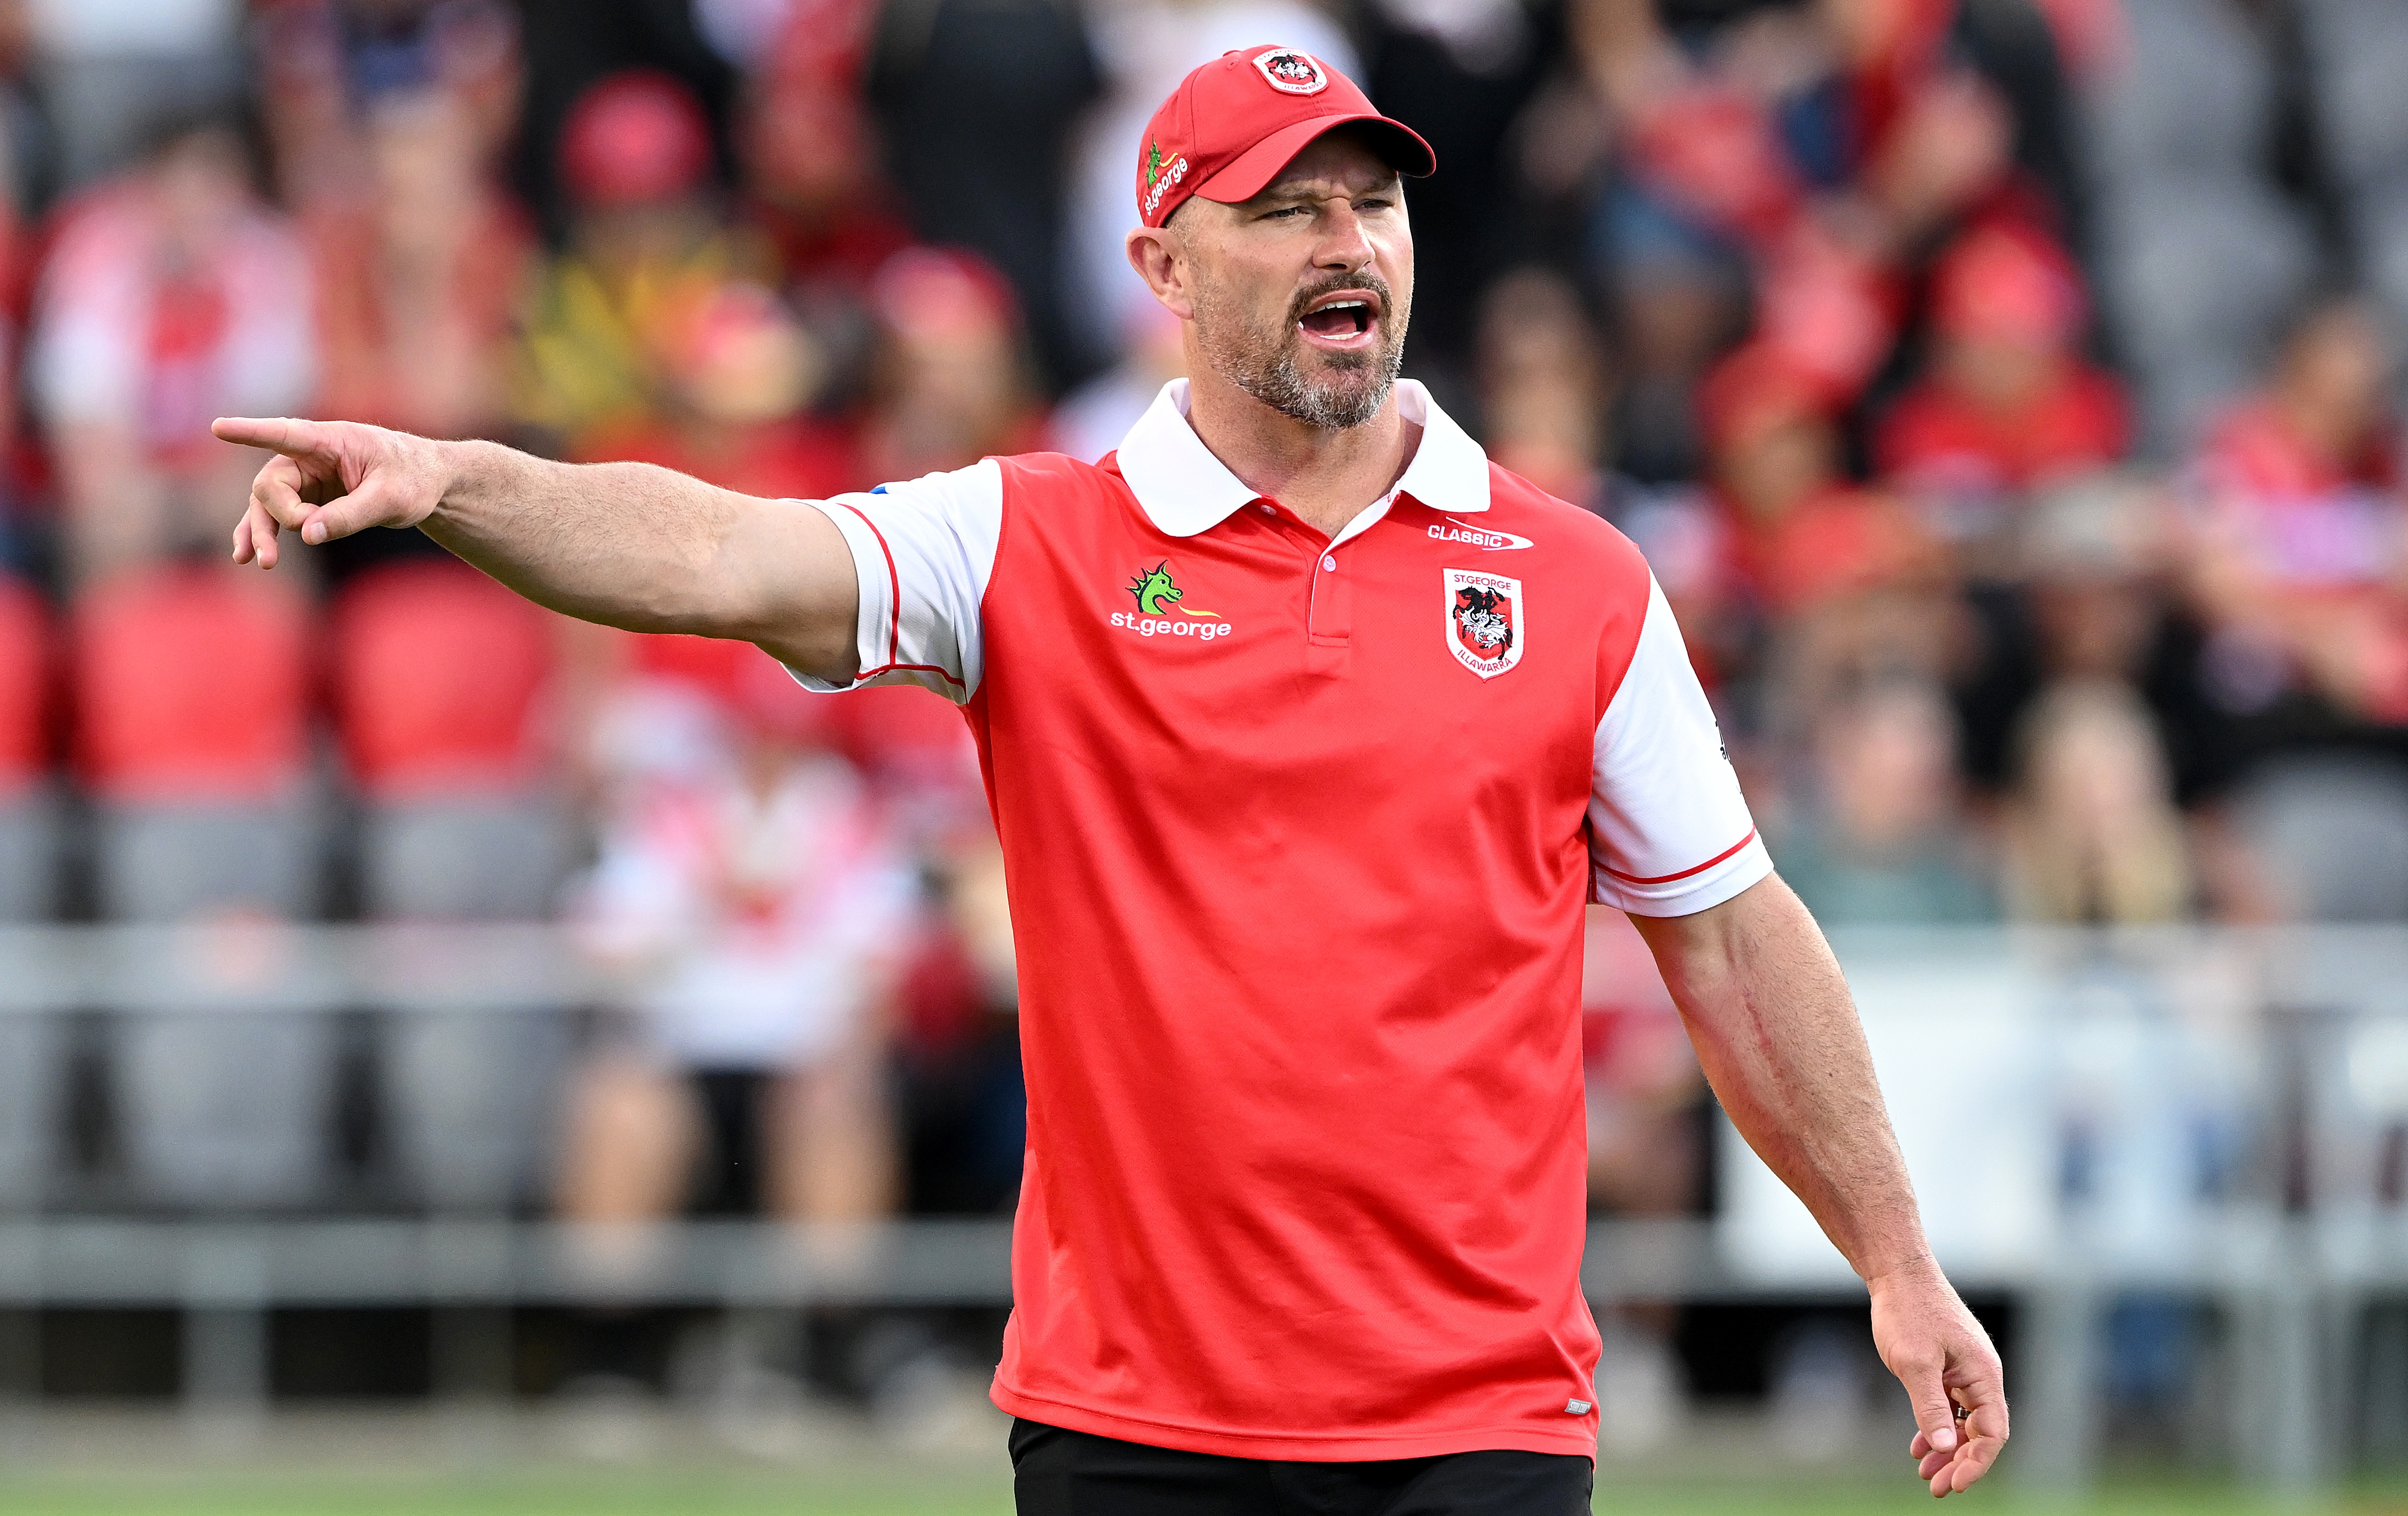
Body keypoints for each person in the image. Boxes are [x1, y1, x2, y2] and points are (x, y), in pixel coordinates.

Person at [218, 45, 2006, 1513]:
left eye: (1370, 201)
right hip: (1134, 1437)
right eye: (1285, 206)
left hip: (1484, 1432)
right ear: (1160, 262)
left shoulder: (1580, 579)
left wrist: (1895, 1258)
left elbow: (1731, 942)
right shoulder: (1024, 540)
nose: (1348, 243)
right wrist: (456, 478)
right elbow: (711, 554)